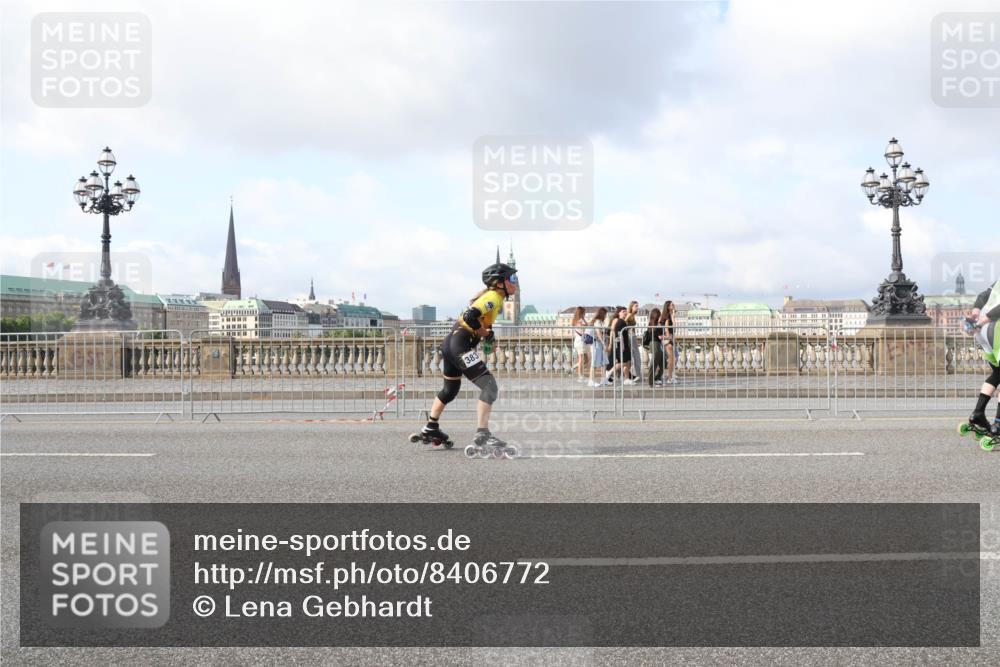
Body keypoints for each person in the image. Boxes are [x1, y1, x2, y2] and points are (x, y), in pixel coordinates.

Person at [419, 259, 518, 454]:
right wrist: (484, 333)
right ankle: (482, 434)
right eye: (512, 278)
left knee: (450, 389)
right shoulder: (494, 297)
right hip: (460, 345)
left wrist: (488, 337)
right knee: (489, 387)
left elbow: (480, 324)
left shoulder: (493, 300)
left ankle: (431, 426)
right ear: (500, 283)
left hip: (451, 343)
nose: (515, 282)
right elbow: (470, 317)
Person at [965, 278, 1000, 436]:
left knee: (997, 374)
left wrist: (976, 313)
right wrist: (985, 320)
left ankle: (978, 413)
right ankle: (998, 425)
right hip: (996, 327)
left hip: (983, 332)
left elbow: (983, 295)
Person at [605, 306, 636, 385]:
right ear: (618, 313)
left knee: (628, 362)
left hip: (624, 344)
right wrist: (622, 345)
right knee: (623, 362)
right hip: (621, 345)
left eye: (625, 311)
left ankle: (626, 379)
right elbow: (619, 334)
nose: (625, 313)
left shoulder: (622, 321)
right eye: (623, 311)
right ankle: (608, 373)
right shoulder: (620, 322)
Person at [643, 307, 664, 386]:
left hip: (655, 344)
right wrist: (668, 337)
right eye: (660, 314)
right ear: (657, 315)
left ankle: (657, 378)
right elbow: (660, 337)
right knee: (654, 364)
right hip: (655, 344)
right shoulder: (656, 325)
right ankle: (651, 383)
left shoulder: (651, 324)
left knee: (663, 363)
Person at [588, 307, 609, 387]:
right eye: (606, 314)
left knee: (604, 361)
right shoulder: (598, 321)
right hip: (597, 344)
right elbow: (598, 333)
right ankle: (591, 380)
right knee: (594, 362)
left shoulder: (600, 322)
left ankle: (603, 379)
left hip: (599, 343)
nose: (606, 316)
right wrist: (604, 344)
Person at [571, 306, 591, 383]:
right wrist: (584, 320)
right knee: (582, 359)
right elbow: (586, 327)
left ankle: (574, 368)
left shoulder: (579, 320)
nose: (585, 314)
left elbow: (586, 326)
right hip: (580, 341)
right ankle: (580, 376)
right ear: (581, 313)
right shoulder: (579, 321)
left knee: (586, 360)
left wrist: (584, 319)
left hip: (582, 340)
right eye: (584, 312)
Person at [625, 300, 643, 383]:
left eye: (637, 306)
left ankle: (636, 375)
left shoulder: (632, 315)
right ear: (631, 307)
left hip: (632, 336)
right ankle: (637, 375)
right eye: (636, 306)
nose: (637, 307)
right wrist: (628, 331)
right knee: (635, 356)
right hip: (630, 336)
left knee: (635, 356)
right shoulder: (629, 315)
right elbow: (624, 323)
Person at [662, 300, 678, 384]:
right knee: (671, 359)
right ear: (668, 306)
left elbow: (674, 328)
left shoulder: (669, 315)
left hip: (669, 339)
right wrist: (669, 338)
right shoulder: (667, 316)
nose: (673, 305)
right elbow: (666, 328)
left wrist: (673, 316)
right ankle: (669, 378)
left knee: (672, 359)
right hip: (668, 340)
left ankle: (670, 376)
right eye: (672, 305)